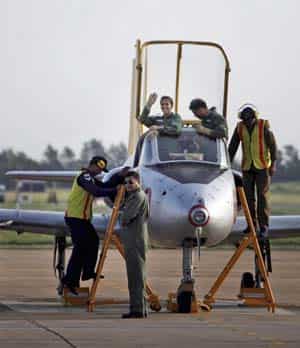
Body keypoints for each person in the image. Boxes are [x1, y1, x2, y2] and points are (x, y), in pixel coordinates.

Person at [62, 156, 128, 295]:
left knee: (93, 241)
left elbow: (104, 186)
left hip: (83, 219)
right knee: (80, 249)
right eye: (99, 168)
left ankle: (87, 272)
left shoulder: (90, 178)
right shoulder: (84, 176)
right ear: (92, 165)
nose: (99, 172)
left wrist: (119, 176)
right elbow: (96, 191)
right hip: (75, 218)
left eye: (101, 170)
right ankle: (69, 281)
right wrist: (115, 190)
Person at [228, 104, 277, 236]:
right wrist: (227, 164)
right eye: (245, 119)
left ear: (254, 117)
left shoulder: (263, 126)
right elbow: (233, 146)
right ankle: (251, 225)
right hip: (247, 167)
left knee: (262, 196)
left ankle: (264, 226)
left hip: (262, 166)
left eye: (250, 119)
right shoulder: (239, 127)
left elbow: (272, 145)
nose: (247, 122)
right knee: (248, 198)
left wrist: (273, 164)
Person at [119, 171, 149, 319]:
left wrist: (119, 213)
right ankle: (140, 308)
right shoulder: (134, 196)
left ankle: (137, 309)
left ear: (138, 182)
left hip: (135, 240)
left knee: (136, 276)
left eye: (130, 182)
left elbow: (126, 217)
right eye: (125, 183)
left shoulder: (137, 197)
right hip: (134, 239)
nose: (127, 185)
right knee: (137, 275)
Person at [134, 93, 182, 166]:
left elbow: (176, 129)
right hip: (156, 155)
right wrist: (149, 105)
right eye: (162, 104)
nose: (164, 106)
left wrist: (158, 129)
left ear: (171, 106)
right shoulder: (157, 119)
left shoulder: (175, 118)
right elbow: (142, 119)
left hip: (171, 155)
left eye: (167, 104)